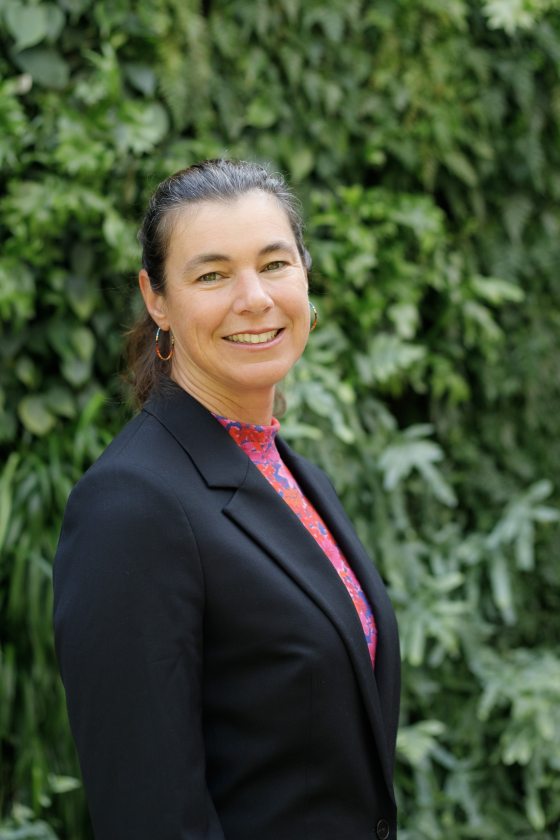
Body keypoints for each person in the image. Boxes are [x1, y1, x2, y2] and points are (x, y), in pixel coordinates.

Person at [53, 159, 400, 840]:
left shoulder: (292, 474)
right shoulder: (130, 507)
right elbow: (150, 818)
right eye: (212, 275)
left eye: (274, 264)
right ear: (157, 299)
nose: (255, 298)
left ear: (304, 273)